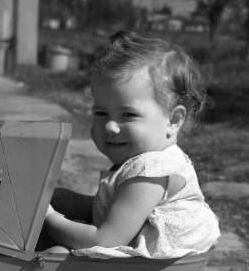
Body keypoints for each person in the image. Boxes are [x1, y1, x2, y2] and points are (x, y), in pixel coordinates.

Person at [43, 30, 219, 258]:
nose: (110, 126)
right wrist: (70, 201)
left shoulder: (149, 173)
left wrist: (48, 217)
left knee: (57, 255)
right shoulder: (145, 162)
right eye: (101, 112)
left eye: (128, 114)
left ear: (173, 120)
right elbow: (113, 211)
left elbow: (104, 241)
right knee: (65, 233)